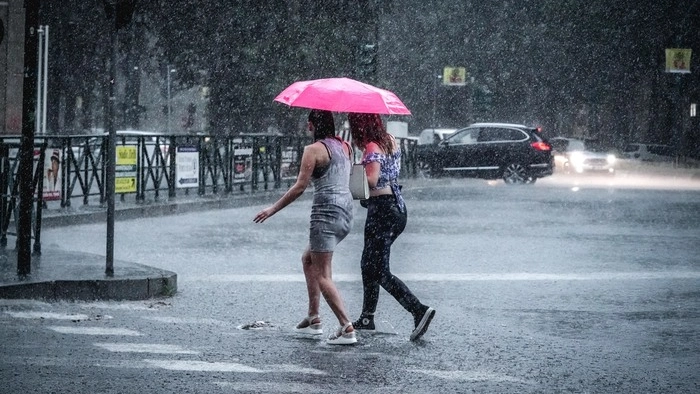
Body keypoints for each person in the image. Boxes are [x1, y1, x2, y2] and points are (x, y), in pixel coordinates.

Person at [253, 109, 356, 345]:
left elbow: (300, 187)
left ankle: (346, 326)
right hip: (346, 214)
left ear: (311, 125)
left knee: (323, 274)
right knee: (308, 259)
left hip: (325, 214)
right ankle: (313, 318)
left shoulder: (313, 150)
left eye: (307, 124)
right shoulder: (346, 147)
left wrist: (271, 209)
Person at [348, 112, 435, 341]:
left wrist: (353, 174)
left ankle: (418, 309)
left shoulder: (372, 146)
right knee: (369, 263)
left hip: (382, 211)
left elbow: (373, 179)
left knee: (379, 270)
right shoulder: (390, 140)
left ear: (359, 126)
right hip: (396, 208)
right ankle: (367, 317)